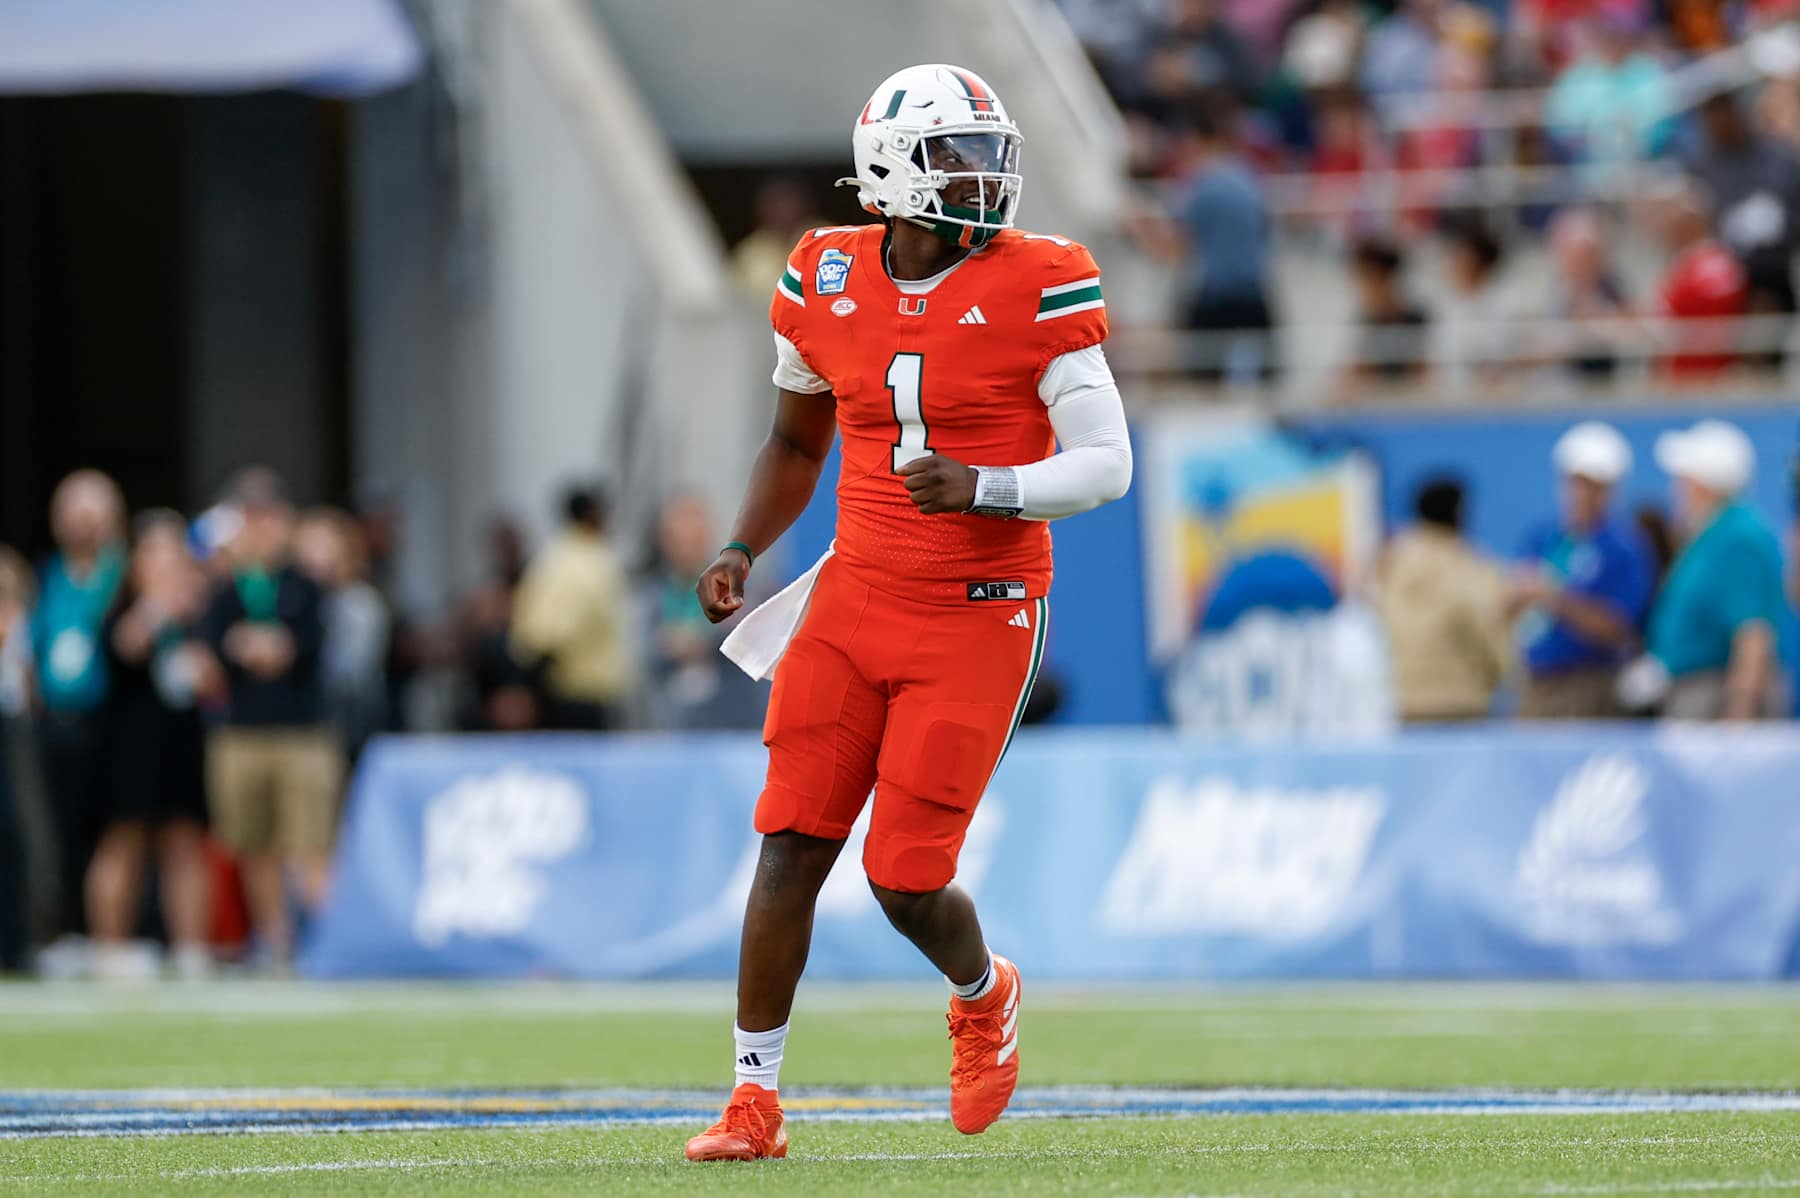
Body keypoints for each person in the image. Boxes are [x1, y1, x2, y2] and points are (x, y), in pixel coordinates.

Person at [684, 64, 1132, 1161]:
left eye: (988, 153)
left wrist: (990, 486)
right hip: (854, 594)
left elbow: (1108, 464)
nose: (984, 179)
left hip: (980, 609)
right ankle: (753, 1101)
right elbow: (797, 442)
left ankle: (984, 993)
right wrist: (745, 544)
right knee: (789, 842)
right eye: (956, 157)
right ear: (890, 169)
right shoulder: (822, 269)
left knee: (904, 874)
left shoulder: (1042, 278)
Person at [199, 468, 339, 966]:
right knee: (255, 844)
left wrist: (273, 648)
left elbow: (312, 646)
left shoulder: (306, 583)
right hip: (242, 733)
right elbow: (215, 646)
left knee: (309, 842)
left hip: (301, 733)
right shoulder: (224, 587)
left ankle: (328, 939)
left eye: (268, 517)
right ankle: (275, 939)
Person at [87, 512, 217, 980]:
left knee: (185, 842)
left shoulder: (197, 616)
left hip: (178, 738)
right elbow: (127, 648)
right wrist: (159, 605)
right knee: (124, 841)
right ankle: (110, 948)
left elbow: (212, 681)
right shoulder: (124, 609)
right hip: (130, 741)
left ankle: (191, 949)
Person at [1621, 420, 1791, 719]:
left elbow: (1753, 634)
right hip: (1694, 691)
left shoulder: (1738, 537)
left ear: (1703, 483)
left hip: (1713, 696)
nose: (1676, 489)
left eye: (1683, 479)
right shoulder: (1712, 535)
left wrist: (1739, 715)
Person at [30, 470, 127, 941]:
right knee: (56, 829)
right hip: (56, 722)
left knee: (114, 831)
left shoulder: (123, 574)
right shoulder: (46, 574)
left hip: (112, 722)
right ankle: (63, 928)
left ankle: (110, 931)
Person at [1509, 423, 1655, 718]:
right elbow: (1512, 605)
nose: (1579, 494)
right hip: (1537, 680)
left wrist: (1555, 598)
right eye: (1573, 483)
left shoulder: (1623, 546)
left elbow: (1620, 626)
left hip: (1588, 683)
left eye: (1591, 485)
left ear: (1610, 489)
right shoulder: (1545, 536)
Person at [1374, 477, 1513, 722]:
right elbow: (1489, 629)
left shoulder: (1391, 564)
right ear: (1460, 511)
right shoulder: (1467, 566)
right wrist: (1507, 674)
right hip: (1460, 704)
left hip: (1405, 704)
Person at [1681, 90, 1800, 366]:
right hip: (1721, 273)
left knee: (1766, 314)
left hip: (1773, 269)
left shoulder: (1777, 157)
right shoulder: (1701, 164)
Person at [1164, 99, 1275, 383]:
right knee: (1265, 380)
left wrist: (1137, 225)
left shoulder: (1203, 185)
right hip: (1254, 290)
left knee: (1205, 382)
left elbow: (1177, 246)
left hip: (1216, 296)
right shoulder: (1249, 177)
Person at [508, 486, 636, 730]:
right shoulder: (584, 564)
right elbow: (546, 635)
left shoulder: (552, 556)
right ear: (592, 513)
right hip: (576, 698)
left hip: (576, 695)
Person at [635, 492, 765, 731]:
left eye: (694, 536)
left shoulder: (737, 583)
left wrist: (700, 643)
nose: (686, 545)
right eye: (678, 537)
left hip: (735, 722)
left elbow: (749, 642)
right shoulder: (656, 594)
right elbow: (648, 656)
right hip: (678, 726)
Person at [294, 509, 391, 763]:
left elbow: (352, 674)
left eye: (324, 544)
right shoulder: (290, 600)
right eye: (309, 544)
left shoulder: (359, 604)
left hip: (343, 731)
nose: (315, 554)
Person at [1649, 176, 1750, 381]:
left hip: (1705, 377)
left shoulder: (1716, 263)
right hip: (1680, 375)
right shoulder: (1682, 263)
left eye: (1670, 213)